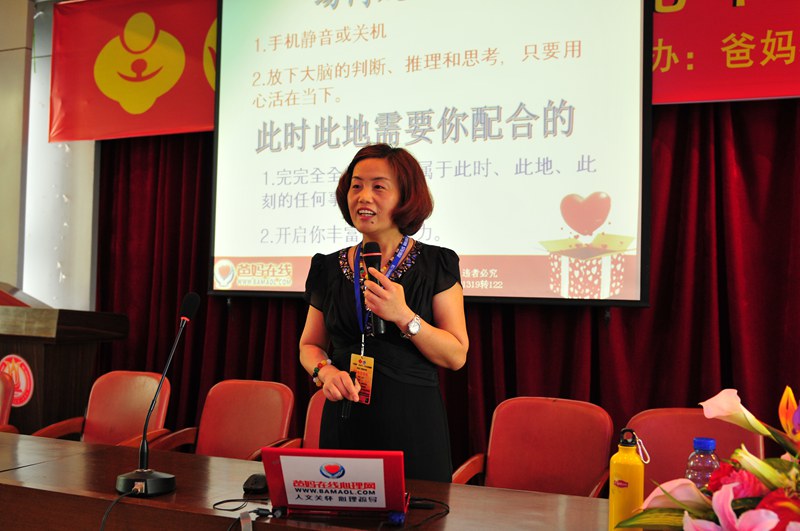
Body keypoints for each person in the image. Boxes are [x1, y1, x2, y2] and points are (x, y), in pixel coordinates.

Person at [299, 143, 469, 482]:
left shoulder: (436, 264)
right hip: (345, 420)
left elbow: (456, 355)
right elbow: (309, 345)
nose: (364, 197)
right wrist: (325, 372)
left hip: (413, 424)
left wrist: (404, 315)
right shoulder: (327, 268)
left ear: (406, 197)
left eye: (379, 187)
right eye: (356, 186)